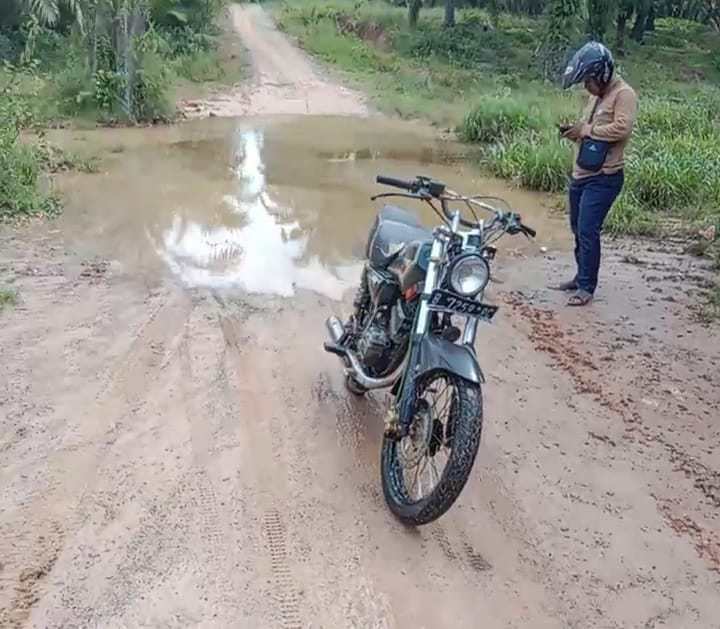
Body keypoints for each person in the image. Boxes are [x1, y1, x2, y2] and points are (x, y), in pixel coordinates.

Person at [552, 41, 638, 306]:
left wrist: (586, 131)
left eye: (588, 80)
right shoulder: (596, 97)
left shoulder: (624, 94)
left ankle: (587, 287)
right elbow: (592, 130)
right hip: (583, 174)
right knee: (578, 228)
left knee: (589, 229)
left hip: (605, 177)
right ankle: (581, 276)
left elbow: (622, 128)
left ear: (601, 74)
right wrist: (575, 132)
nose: (585, 86)